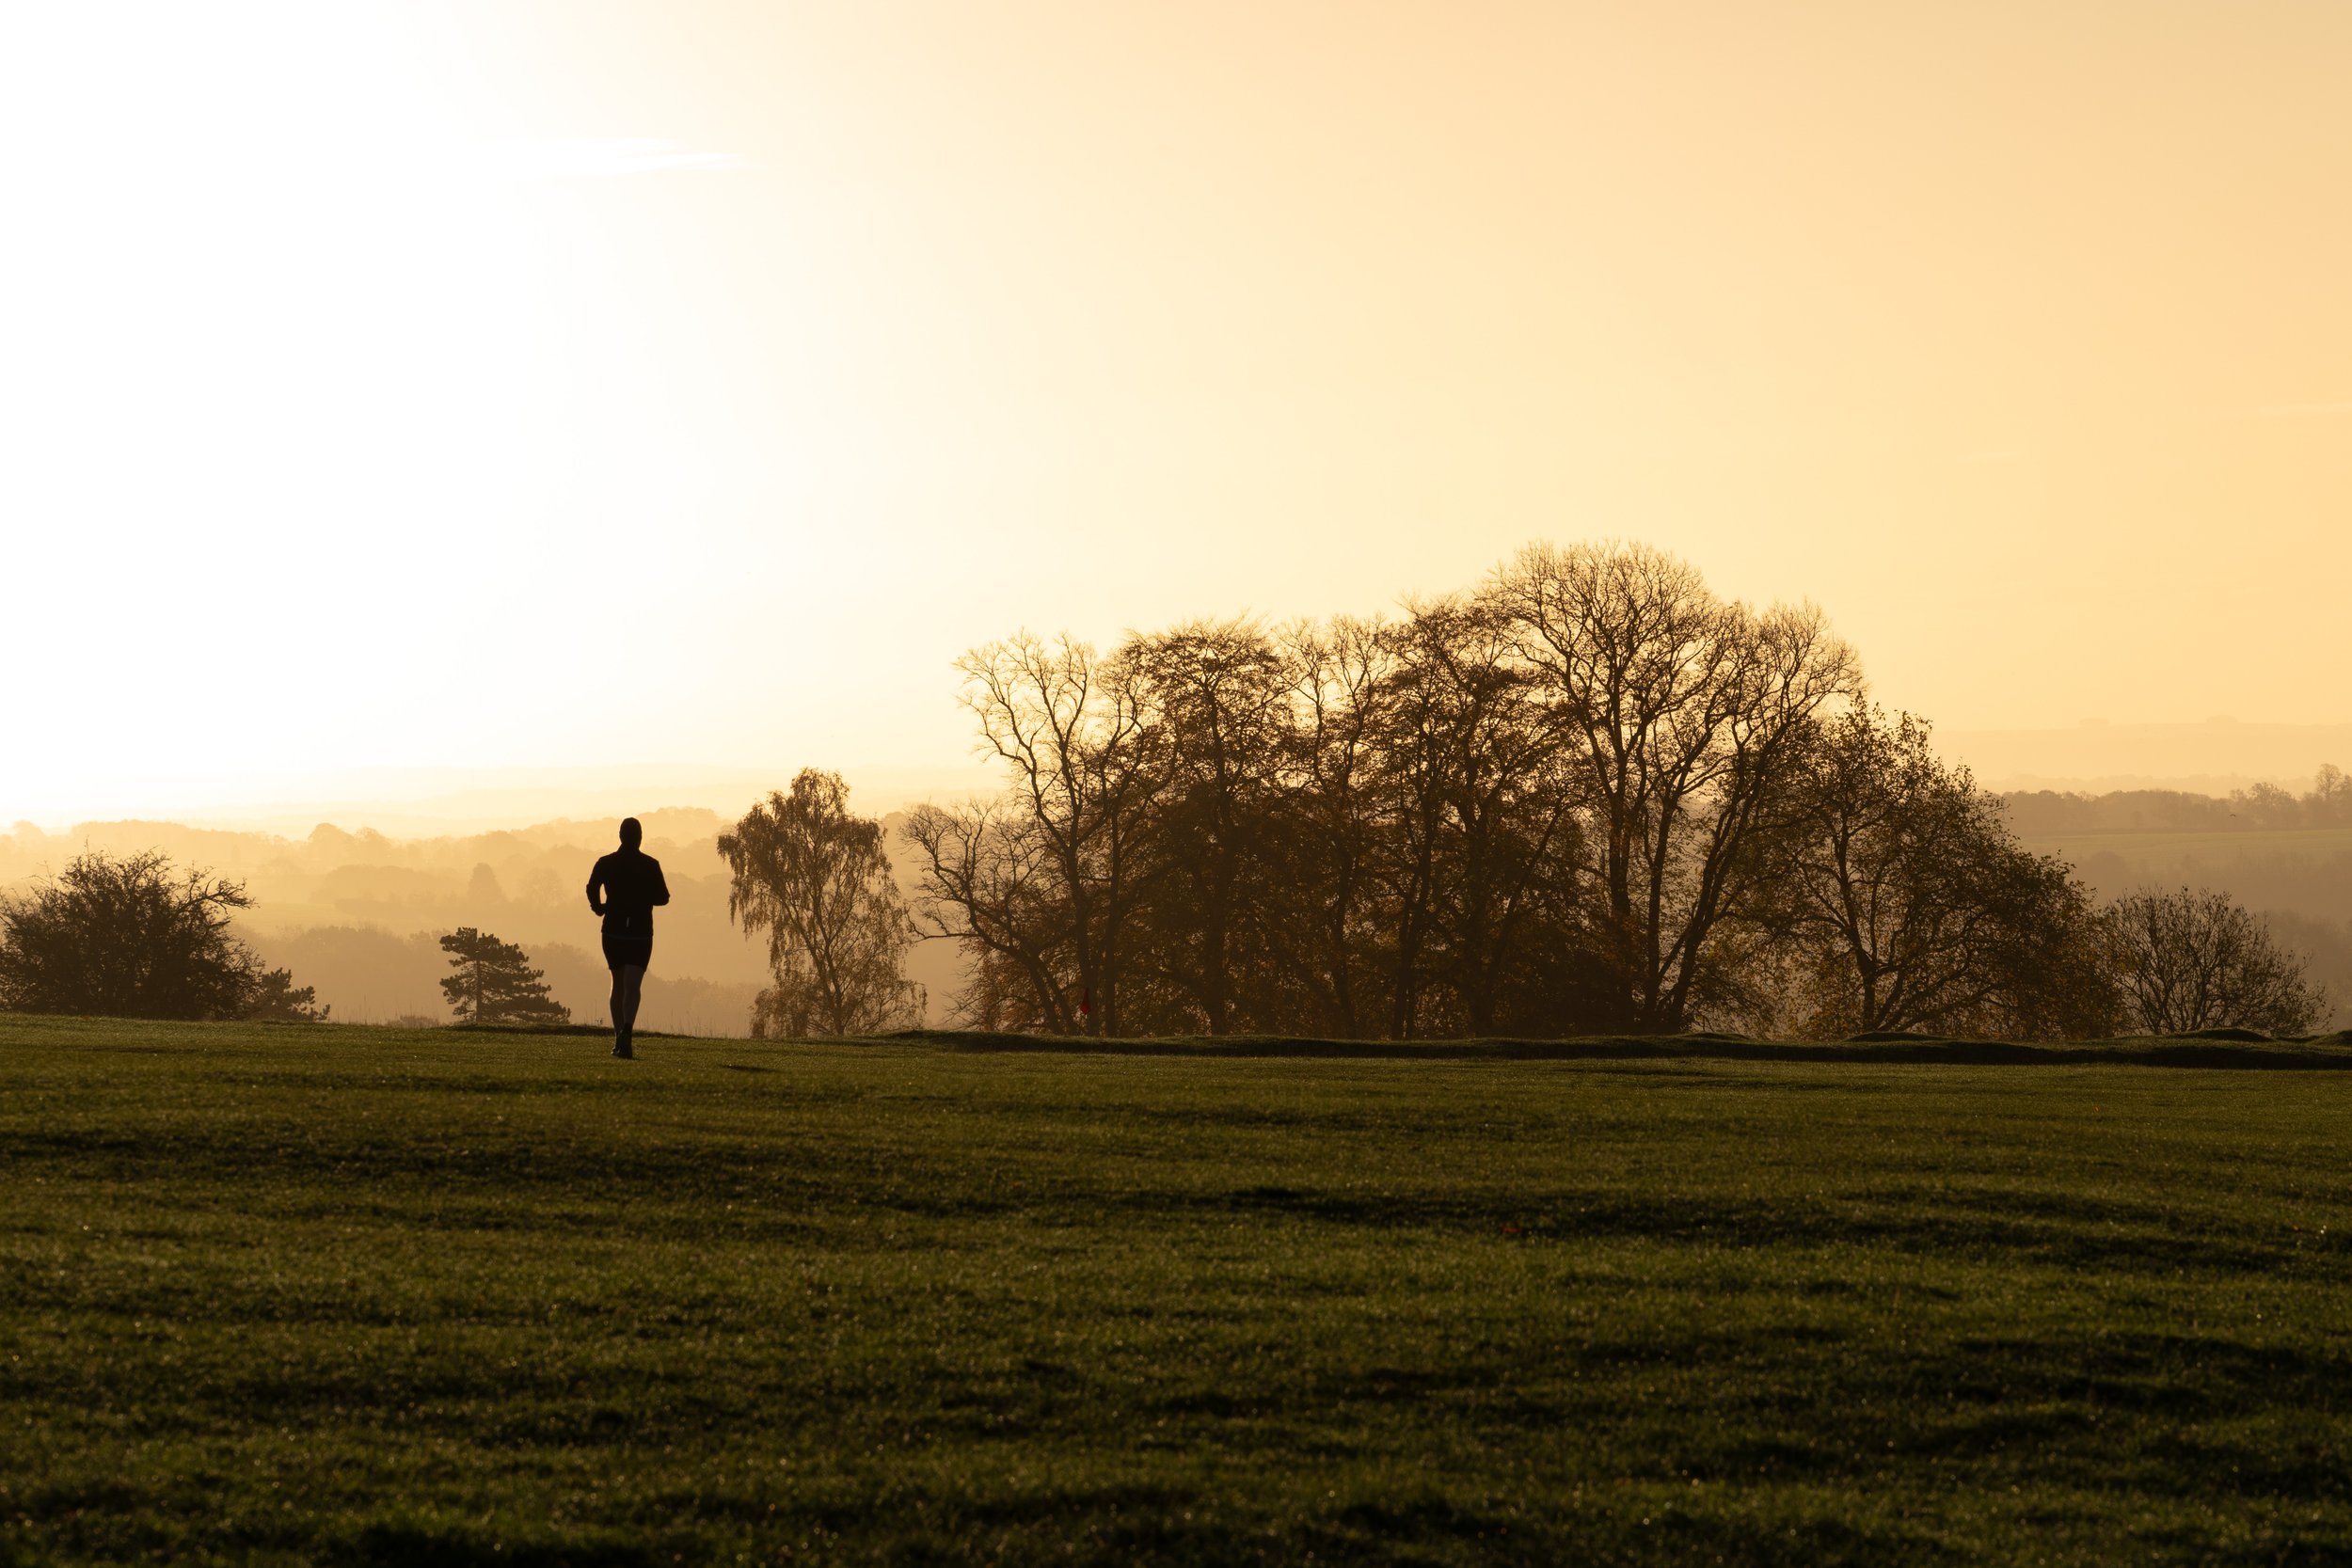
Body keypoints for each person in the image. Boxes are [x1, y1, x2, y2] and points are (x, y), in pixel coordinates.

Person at [585, 817, 670, 1058]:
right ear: (640, 838)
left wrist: (599, 907)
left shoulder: (606, 862)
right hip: (641, 933)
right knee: (633, 985)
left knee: (617, 983)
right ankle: (628, 1030)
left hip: (613, 930)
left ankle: (618, 1036)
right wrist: (642, 898)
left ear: (620, 836)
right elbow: (663, 898)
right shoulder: (651, 865)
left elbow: (591, 887)